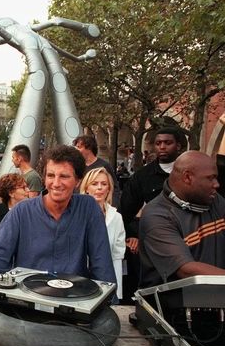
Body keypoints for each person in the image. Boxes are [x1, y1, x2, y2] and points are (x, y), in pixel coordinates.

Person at [0, 145, 116, 318]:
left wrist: (109, 305)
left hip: (73, 306)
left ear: (78, 180)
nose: (56, 183)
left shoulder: (89, 208)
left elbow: (102, 263)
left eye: (64, 176)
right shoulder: (21, 212)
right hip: (25, 306)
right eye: (50, 175)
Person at [139, 151, 225, 287]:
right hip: (172, 305)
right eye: (210, 178)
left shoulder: (213, 199)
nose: (216, 184)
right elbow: (187, 270)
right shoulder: (157, 215)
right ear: (187, 177)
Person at [119, 126, 185, 297]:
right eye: (158, 143)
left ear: (178, 146)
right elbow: (125, 212)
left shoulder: (189, 172)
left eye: (167, 143)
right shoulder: (142, 177)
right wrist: (133, 234)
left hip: (188, 238)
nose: (162, 147)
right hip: (154, 243)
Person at [80, 168, 126, 300]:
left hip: (105, 285)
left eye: (104, 184)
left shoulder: (116, 218)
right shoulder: (76, 215)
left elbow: (117, 258)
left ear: (109, 188)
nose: (99, 188)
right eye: (94, 184)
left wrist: (116, 293)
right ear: (86, 187)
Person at [73, 134, 119, 204]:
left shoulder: (104, 166)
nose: (76, 149)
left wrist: (113, 206)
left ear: (88, 148)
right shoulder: (76, 165)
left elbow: (114, 188)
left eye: (79, 147)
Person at [0, 173, 28, 242]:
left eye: (27, 187)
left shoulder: (32, 212)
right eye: (23, 188)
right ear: (11, 193)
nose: (28, 190)